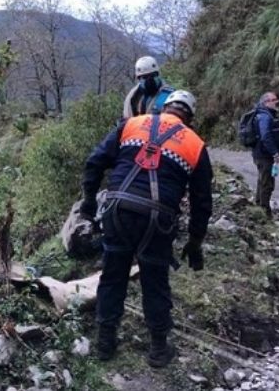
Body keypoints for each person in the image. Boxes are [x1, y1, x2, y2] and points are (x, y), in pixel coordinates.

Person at [80, 90, 213, 367]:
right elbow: (202, 201)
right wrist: (195, 241)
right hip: (158, 220)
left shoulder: (131, 124)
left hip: (118, 211)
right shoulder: (195, 144)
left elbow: (94, 162)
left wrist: (88, 204)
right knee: (155, 281)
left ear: (164, 107)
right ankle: (158, 349)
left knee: (113, 275)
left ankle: (105, 342)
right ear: (189, 117)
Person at [252, 92, 279, 218]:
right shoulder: (265, 116)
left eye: (276, 99)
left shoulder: (265, 115)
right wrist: (274, 153)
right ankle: (265, 213)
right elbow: (265, 135)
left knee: (262, 181)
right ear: (266, 102)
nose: (276, 102)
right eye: (273, 100)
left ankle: (258, 207)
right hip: (264, 155)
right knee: (267, 183)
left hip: (262, 154)